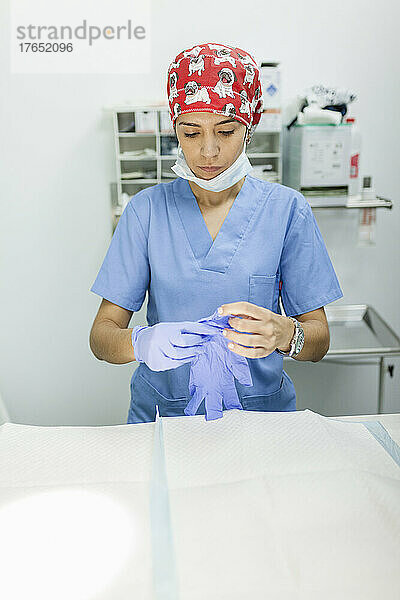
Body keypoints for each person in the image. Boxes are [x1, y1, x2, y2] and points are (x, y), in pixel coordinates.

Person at [89, 42, 343, 424]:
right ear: (175, 129)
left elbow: (319, 339)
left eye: (225, 130)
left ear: (249, 128)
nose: (208, 151)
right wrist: (139, 343)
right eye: (191, 133)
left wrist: (287, 334)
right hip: (163, 420)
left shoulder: (287, 211)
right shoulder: (145, 211)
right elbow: (101, 337)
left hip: (263, 421)